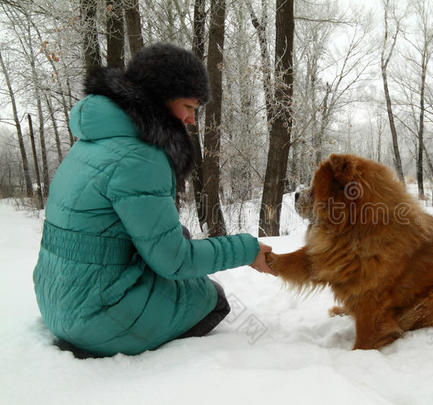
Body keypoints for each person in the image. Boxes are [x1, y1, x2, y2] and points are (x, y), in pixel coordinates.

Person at [33, 43, 275, 358]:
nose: (191, 119)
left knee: (178, 242)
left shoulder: (91, 142)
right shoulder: (142, 157)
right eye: (188, 107)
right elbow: (174, 261)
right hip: (94, 317)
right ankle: (157, 363)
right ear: (161, 99)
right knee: (211, 297)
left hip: (55, 299)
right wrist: (247, 249)